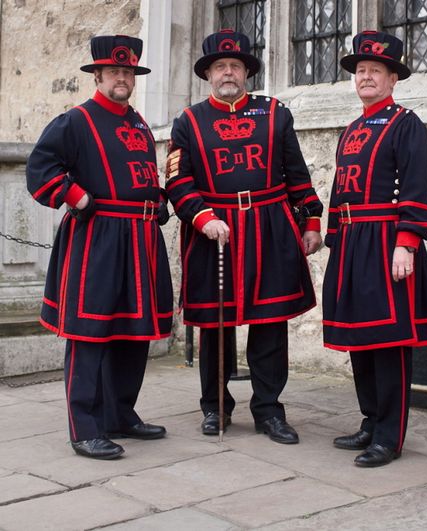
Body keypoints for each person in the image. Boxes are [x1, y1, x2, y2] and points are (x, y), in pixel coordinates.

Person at [166, 29, 323, 444]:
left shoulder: (274, 113)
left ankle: (269, 411)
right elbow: (177, 182)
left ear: (247, 72)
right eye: (221, 67)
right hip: (214, 231)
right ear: (209, 75)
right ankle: (215, 408)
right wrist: (202, 217)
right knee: (216, 324)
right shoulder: (189, 121)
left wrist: (311, 222)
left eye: (235, 66)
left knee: (270, 323)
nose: (228, 73)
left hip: (270, 226)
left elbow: (297, 175)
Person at [26, 35, 173, 460]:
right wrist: (78, 198)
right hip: (97, 241)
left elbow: (141, 175)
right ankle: (84, 427)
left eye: (128, 73)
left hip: (141, 240)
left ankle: (119, 415)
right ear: (98, 75)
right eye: (115, 72)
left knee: (133, 333)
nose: (123, 78)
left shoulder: (139, 123)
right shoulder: (75, 121)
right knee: (90, 332)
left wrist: (157, 200)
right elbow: (40, 171)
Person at [323, 30, 427, 467]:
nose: (367, 77)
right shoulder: (352, 129)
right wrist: (333, 238)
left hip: (387, 241)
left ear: (393, 79)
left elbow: (415, 187)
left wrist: (406, 244)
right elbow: (340, 191)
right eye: (361, 71)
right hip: (353, 244)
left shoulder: (406, 124)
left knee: (389, 340)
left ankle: (389, 437)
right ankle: (371, 420)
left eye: (376, 70)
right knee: (360, 338)